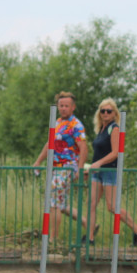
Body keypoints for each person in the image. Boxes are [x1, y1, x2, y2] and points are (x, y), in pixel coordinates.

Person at [84, 98, 137, 247]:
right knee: (91, 204)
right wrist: (91, 167)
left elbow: (116, 152)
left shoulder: (115, 128)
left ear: (114, 113)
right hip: (97, 171)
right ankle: (90, 238)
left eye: (108, 111)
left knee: (112, 206)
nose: (105, 113)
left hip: (110, 170)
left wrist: (99, 163)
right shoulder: (101, 129)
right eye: (102, 111)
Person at [32, 91, 88, 240]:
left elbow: (83, 147)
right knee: (60, 204)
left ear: (73, 107)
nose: (63, 108)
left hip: (67, 167)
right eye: (61, 105)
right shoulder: (57, 122)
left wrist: (80, 168)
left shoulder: (76, 125)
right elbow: (50, 144)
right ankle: (87, 224)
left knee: (54, 203)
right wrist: (38, 161)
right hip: (56, 168)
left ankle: (52, 239)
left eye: (66, 106)